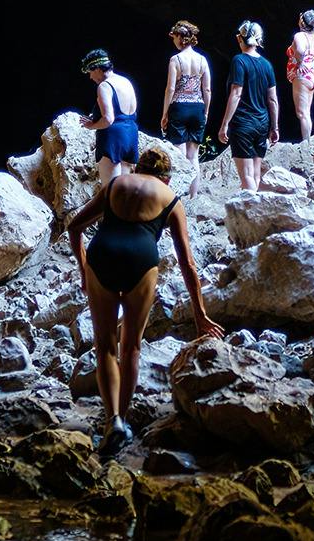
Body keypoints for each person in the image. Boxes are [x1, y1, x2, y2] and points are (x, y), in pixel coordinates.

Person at [69, 143, 221, 456]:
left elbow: (75, 226)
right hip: (141, 261)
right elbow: (187, 264)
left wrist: (84, 270)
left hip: (103, 255)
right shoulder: (171, 199)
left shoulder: (115, 183)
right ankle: (122, 421)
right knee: (132, 347)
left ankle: (111, 421)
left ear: (138, 169)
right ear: (166, 179)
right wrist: (200, 314)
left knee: (105, 347)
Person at [217, 20, 279, 190]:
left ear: (240, 38)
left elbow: (236, 93)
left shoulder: (239, 61)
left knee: (246, 178)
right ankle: (256, 212)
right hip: (262, 123)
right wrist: (275, 127)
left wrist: (224, 124)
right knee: (255, 175)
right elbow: (272, 99)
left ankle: (253, 215)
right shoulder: (267, 65)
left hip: (243, 123)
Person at [160, 21, 212, 180]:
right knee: (193, 156)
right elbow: (207, 89)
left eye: (174, 37)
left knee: (179, 154)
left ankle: (179, 197)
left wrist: (165, 113)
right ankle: (193, 197)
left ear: (180, 38)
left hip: (179, 107)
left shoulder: (175, 60)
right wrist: (206, 111)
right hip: (198, 108)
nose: (173, 41)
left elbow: (170, 89)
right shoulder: (203, 60)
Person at [81, 48, 140, 182]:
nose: (90, 77)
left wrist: (92, 125)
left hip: (113, 138)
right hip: (131, 134)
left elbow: (108, 119)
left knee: (111, 191)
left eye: (90, 72)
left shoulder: (104, 86)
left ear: (97, 69)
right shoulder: (126, 81)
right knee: (126, 189)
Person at [284, 9, 314, 141]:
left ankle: (306, 143)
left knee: (302, 113)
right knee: (307, 111)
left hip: (302, 75)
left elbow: (300, 50)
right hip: (312, 73)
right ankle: (307, 140)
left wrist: (300, 62)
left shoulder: (300, 36)